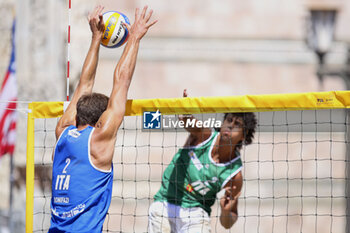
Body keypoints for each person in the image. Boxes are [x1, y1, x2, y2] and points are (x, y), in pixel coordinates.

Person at [49, 5, 157, 233]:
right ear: (100, 121)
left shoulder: (63, 131)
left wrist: (96, 37)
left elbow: (83, 84)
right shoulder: (98, 141)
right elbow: (122, 81)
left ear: (77, 115)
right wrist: (134, 37)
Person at [148, 89, 257, 233]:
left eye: (237, 124)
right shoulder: (205, 136)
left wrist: (226, 211)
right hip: (166, 202)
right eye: (229, 120)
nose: (230, 125)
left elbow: (227, 223)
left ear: (244, 135)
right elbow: (189, 123)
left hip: (195, 214)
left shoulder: (235, 175)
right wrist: (185, 111)